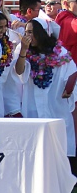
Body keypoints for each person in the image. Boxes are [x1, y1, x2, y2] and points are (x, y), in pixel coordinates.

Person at [16, 18, 76, 156]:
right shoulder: (23, 49)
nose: (28, 36)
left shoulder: (60, 52)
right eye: (26, 32)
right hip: (32, 103)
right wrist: (24, 50)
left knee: (60, 146)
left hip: (55, 104)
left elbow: (72, 74)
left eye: (31, 32)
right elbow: (19, 71)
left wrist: (70, 89)